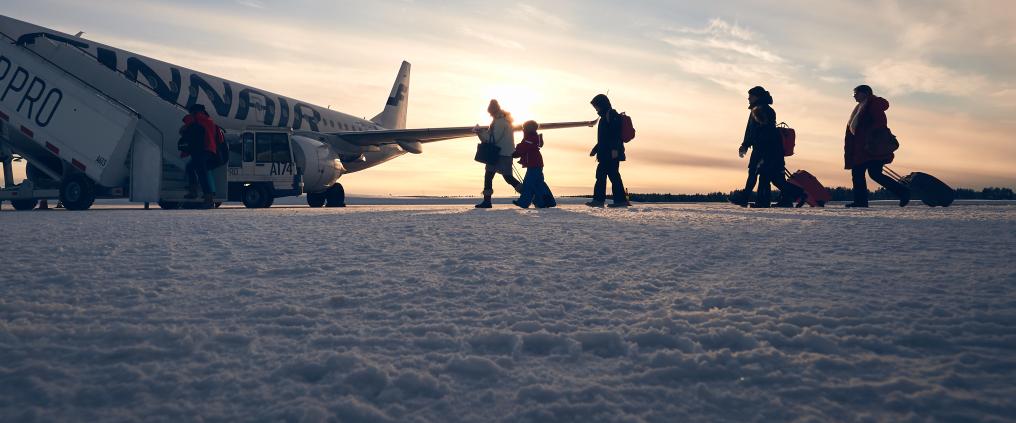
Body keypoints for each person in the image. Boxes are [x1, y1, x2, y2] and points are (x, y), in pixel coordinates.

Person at [733, 86, 803, 208]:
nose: (748, 98)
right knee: (772, 176)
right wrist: (745, 144)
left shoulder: (761, 110)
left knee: (757, 173)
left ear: (757, 96)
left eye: (751, 96)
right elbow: (752, 131)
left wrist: (752, 147)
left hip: (765, 149)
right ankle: (794, 195)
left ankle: (752, 199)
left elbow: (760, 131)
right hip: (769, 148)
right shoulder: (759, 109)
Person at [843, 85, 910, 208]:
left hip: (872, 147)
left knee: (873, 173)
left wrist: (869, 138)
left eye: (856, 94)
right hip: (862, 149)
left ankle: (903, 191)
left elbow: (880, 123)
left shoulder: (873, 104)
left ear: (865, 93)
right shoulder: (861, 107)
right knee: (859, 173)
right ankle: (861, 201)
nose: (854, 97)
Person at [474, 100, 521, 208]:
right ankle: (527, 195)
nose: (490, 114)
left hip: (498, 154)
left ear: (493, 111)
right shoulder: (505, 121)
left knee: (491, 176)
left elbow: (493, 139)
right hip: (505, 153)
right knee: (506, 177)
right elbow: (494, 137)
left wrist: (479, 132)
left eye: (490, 112)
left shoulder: (499, 122)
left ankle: (487, 201)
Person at [586, 94, 629, 208]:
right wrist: (595, 150)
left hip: (611, 153)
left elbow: (614, 135)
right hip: (605, 153)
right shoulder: (605, 117)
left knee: (611, 176)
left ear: (602, 104)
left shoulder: (611, 115)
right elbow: (604, 138)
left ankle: (616, 201)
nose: (596, 109)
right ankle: (602, 200)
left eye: (596, 106)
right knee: (604, 175)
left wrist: (614, 150)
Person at [180, 104, 219, 207]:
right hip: (208, 150)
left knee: (200, 172)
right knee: (194, 169)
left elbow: (183, 128)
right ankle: (198, 193)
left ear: (194, 112)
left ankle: (206, 198)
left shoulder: (196, 119)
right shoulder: (209, 120)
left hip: (201, 150)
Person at [511, 120, 554, 208]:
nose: (523, 129)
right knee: (538, 184)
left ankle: (524, 202)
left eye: (524, 127)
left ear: (528, 128)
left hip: (534, 164)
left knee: (528, 184)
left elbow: (524, 147)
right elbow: (525, 146)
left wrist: (515, 153)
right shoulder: (531, 137)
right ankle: (545, 202)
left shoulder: (530, 137)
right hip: (536, 163)